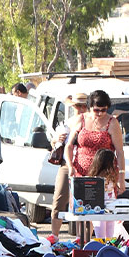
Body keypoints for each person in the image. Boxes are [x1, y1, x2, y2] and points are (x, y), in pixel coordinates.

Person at [65, 89, 126, 196]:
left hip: (105, 176)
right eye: (96, 110)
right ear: (90, 107)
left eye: (104, 110)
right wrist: (70, 166)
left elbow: (120, 152)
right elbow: (69, 146)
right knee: (80, 207)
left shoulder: (112, 123)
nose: (100, 113)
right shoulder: (81, 119)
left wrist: (121, 177)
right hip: (81, 174)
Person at [49, 92, 88, 242]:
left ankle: (81, 238)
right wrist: (56, 140)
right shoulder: (68, 122)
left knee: (84, 204)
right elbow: (54, 144)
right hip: (67, 164)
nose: (81, 109)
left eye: (84, 106)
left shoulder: (92, 122)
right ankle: (54, 236)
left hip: (85, 165)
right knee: (59, 199)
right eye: (78, 106)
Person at [87, 149, 119, 240]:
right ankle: (101, 249)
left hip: (111, 210)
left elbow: (113, 195)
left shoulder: (111, 177)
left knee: (110, 235)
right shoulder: (95, 179)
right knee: (100, 234)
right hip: (99, 210)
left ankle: (108, 249)